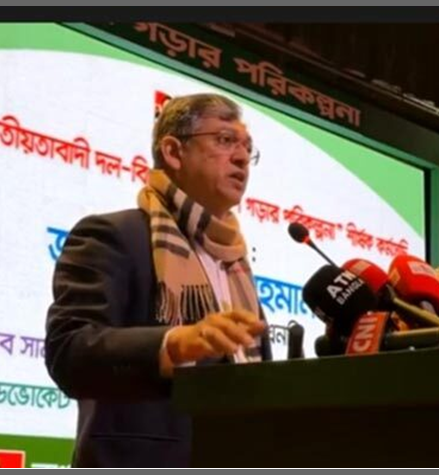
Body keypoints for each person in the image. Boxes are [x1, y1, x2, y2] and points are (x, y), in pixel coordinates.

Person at [45, 93, 271, 467]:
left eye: (248, 147)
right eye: (225, 140)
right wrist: (172, 344)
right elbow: (69, 353)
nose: (242, 157)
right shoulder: (114, 235)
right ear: (173, 152)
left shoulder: (235, 263)